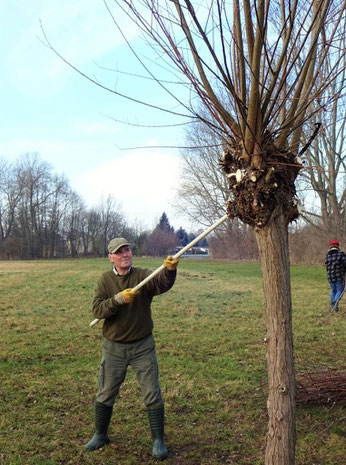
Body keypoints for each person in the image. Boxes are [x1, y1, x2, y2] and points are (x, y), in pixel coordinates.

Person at [84, 237, 179, 460]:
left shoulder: (142, 276)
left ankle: (158, 440)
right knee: (106, 392)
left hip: (142, 346)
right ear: (111, 258)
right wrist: (117, 299)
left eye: (127, 250)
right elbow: (98, 310)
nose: (125, 254)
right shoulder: (105, 280)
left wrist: (170, 271)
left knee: (152, 393)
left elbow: (162, 284)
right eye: (119, 252)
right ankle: (100, 434)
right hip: (114, 347)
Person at [324, 240, 346, 312]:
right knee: (340, 289)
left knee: (333, 290)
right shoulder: (341, 254)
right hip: (339, 275)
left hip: (330, 276)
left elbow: (327, 266)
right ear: (338, 246)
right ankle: (336, 302)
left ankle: (332, 307)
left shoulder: (327, 255)